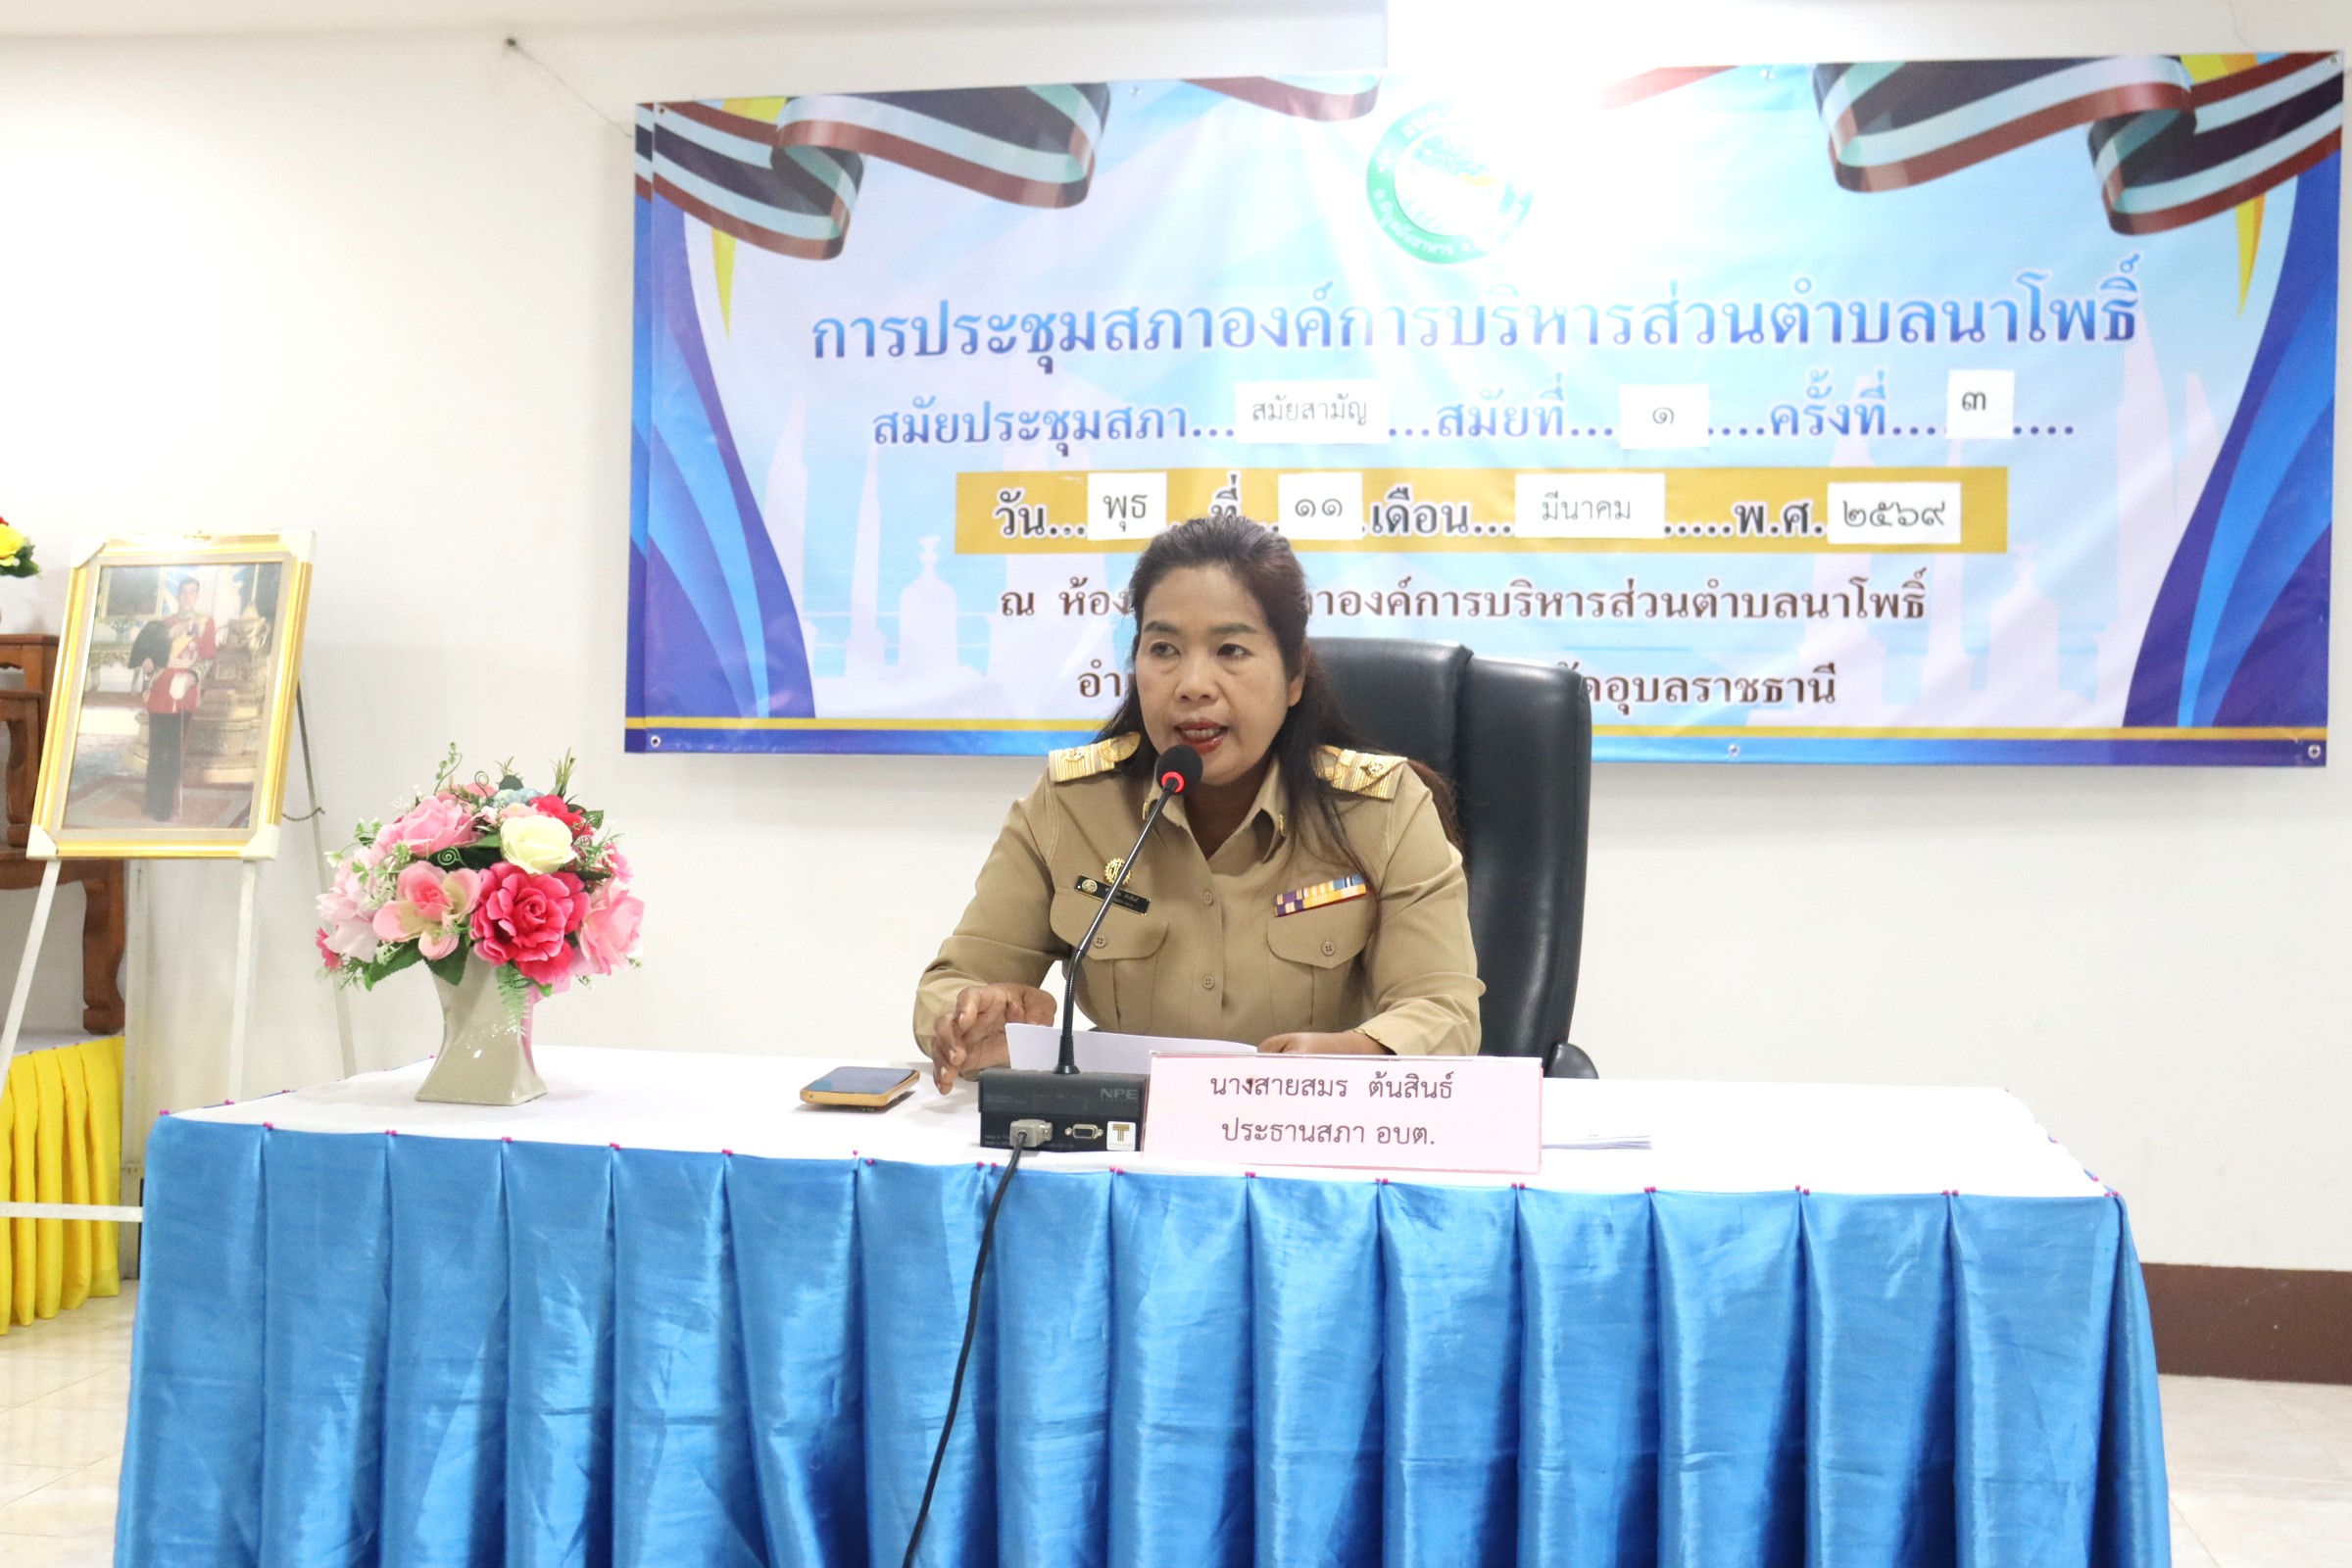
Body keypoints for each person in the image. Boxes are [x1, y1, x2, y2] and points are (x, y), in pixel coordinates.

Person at [914, 515, 1482, 1091]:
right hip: (1128, 1128)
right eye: (1164, 648)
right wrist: (968, 1020)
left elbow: (1445, 1010)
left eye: (1230, 649)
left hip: (1310, 1127)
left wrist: (1354, 1054)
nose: (1193, 685)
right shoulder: (1072, 806)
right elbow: (955, 981)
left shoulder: (1382, 812)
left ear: (1294, 675)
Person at [137, 576, 217, 821]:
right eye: (183, 592)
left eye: (192, 592)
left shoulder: (205, 623)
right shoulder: (165, 624)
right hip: (161, 689)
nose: (187, 597)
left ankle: (165, 804)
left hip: (184, 690)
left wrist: (192, 677)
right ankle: (152, 799)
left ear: (197, 596)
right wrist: (148, 664)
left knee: (172, 751)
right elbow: (154, 659)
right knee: (157, 747)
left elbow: (207, 658)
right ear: (178, 595)